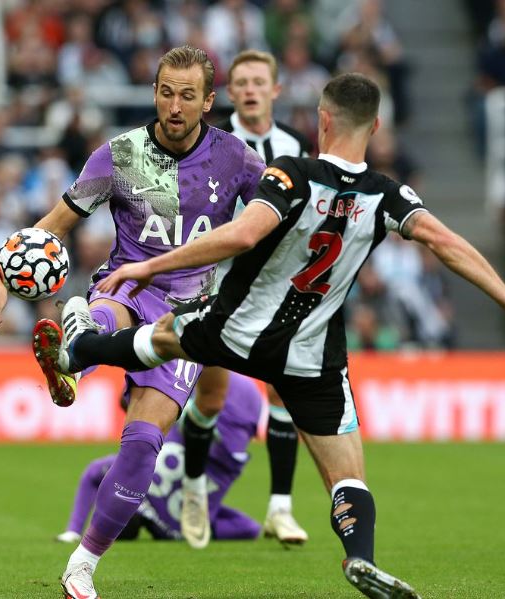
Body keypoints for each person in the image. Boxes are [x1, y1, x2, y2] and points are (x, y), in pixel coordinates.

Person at [35, 73, 505, 598]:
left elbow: (241, 235)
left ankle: (81, 347)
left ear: (323, 121)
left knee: (167, 337)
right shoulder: (388, 195)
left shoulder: (291, 175)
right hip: (310, 355)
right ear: (375, 126)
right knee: (348, 474)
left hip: (239, 327)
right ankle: (361, 557)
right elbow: (447, 244)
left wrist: (149, 269)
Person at [0, 45, 265, 599]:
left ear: (209, 100)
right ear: (153, 92)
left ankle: (82, 566)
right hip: (125, 286)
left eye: (188, 95)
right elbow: (56, 223)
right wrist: (1, 285)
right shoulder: (119, 155)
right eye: (166, 92)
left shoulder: (237, 160)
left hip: (189, 318)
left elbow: (270, 223)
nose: (175, 106)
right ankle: (74, 355)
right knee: (102, 312)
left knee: (141, 446)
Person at [178, 49, 312, 547]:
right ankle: (193, 489)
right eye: (243, 82)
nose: (252, 89)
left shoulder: (295, 146)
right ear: (231, 93)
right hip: (216, 283)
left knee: (283, 390)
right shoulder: (212, 145)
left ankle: (281, 507)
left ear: (276, 90)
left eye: (261, 81)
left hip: (276, 286)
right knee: (210, 396)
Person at [56, 372, 263, 544]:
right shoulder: (134, 480)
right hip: (216, 422)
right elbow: (93, 473)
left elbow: (247, 528)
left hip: (229, 444)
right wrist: (73, 531)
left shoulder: (172, 531)